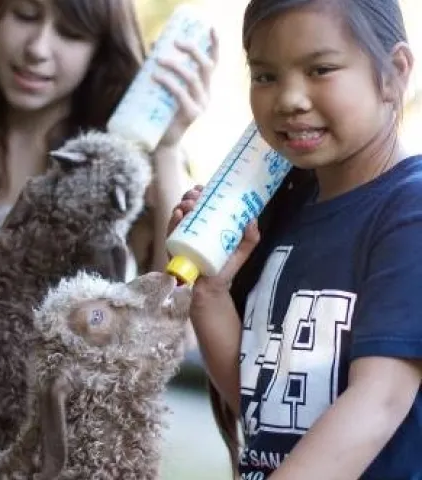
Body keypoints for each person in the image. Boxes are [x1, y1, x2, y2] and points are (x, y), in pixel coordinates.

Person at [169, 0, 422, 478]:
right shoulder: (285, 210)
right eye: (265, 76)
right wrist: (212, 291)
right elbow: (262, 404)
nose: (288, 99)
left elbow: (380, 400)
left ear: (394, 72)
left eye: (320, 69)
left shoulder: (410, 213)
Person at [0, 0, 217, 278]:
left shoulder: (128, 171)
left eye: (70, 33)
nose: (37, 48)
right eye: (25, 16)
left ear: (100, 51)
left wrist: (166, 148)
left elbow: (169, 301)